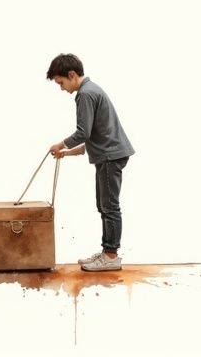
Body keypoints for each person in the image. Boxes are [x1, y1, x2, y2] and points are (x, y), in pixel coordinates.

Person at [47, 53, 134, 272]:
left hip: (110, 157)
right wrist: (66, 154)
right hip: (110, 154)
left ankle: (111, 256)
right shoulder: (93, 89)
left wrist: (60, 144)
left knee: (109, 207)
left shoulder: (85, 94)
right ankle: (107, 251)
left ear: (72, 75)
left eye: (61, 82)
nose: (61, 88)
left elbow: (82, 133)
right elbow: (95, 138)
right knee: (105, 205)